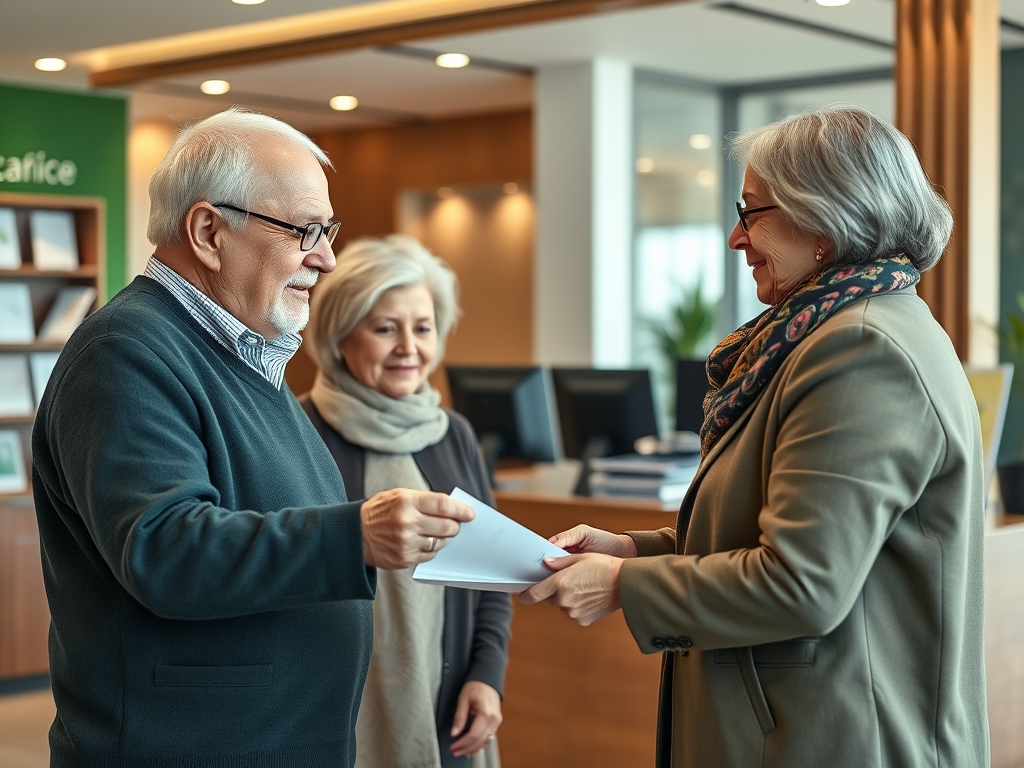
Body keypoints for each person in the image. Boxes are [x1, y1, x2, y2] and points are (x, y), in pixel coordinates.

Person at [520, 105, 990, 767]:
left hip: (838, 741)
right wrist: (633, 551)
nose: (736, 240)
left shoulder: (861, 349)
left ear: (823, 219)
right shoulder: (830, 334)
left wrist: (623, 587)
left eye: (751, 212)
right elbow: (766, 533)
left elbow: (803, 583)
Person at [31, 108, 475, 768]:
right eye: (306, 230)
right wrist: (353, 533)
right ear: (209, 231)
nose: (325, 257)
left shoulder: (243, 353)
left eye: (328, 231)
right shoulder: (126, 352)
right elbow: (162, 548)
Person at [299, 234, 512, 768]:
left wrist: (488, 678)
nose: (408, 348)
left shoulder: (455, 435)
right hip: (337, 715)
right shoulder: (298, 431)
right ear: (340, 335)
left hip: (447, 712)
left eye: (422, 328)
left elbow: (492, 579)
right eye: (384, 328)